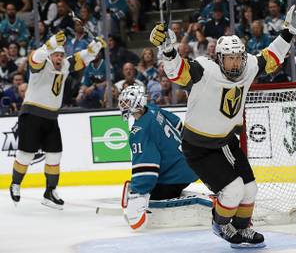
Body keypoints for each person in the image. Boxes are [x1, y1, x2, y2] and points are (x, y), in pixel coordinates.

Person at [150, 2, 296, 248]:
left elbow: (271, 57)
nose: (235, 64)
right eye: (230, 59)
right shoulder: (204, 70)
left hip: (226, 142)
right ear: (219, 58)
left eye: (238, 58)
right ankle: (220, 223)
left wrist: (291, 31)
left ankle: (242, 228)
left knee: (250, 189)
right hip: (198, 147)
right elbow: (177, 73)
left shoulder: (248, 66)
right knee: (233, 190)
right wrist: (168, 49)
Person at [9, 31, 106, 209]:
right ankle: (15, 184)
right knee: (26, 154)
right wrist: (48, 45)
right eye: (56, 55)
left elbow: (82, 58)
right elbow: (35, 57)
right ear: (50, 55)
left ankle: (50, 191)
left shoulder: (65, 65)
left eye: (61, 55)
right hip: (32, 115)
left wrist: (95, 47)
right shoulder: (41, 64)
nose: (59, 58)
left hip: (51, 117)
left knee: (55, 155)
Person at [118, 85, 198, 230]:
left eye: (128, 102)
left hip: (174, 177)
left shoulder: (140, 131)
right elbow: (178, 124)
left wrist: (137, 195)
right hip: (190, 165)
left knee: (147, 193)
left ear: (137, 102)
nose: (123, 105)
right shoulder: (154, 110)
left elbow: (147, 169)